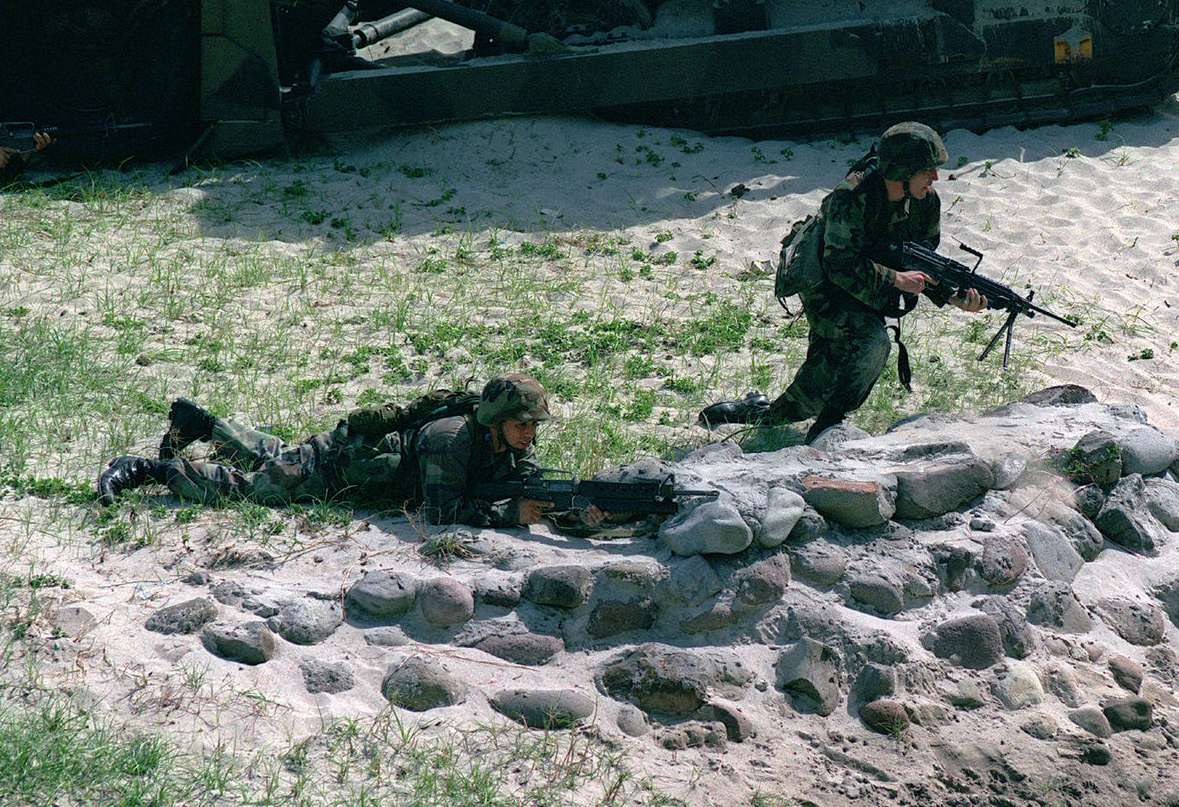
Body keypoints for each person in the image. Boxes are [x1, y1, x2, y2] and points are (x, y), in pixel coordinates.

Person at [699, 121, 985, 443]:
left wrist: (953, 295)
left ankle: (758, 411)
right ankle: (827, 427)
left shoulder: (926, 202)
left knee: (812, 392)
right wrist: (896, 279)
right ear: (902, 171)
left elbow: (921, 261)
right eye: (927, 169)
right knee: (872, 342)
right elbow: (838, 265)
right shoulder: (851, 197)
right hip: (825, 286)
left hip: (867, 290)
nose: (935, 177)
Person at [96, 373, 597, 528]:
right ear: (498, 420)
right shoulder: (454, 440)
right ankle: (149, 470)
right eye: (522, 424)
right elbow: (439, 510)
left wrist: (570, 507)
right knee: (256, 490)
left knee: (278, 457)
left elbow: (526, 481)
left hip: (351, 460)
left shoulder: (505, 439)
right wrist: (512, 516)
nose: (530, 433)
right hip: (337, 468)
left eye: (534, 425)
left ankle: (202, 424)